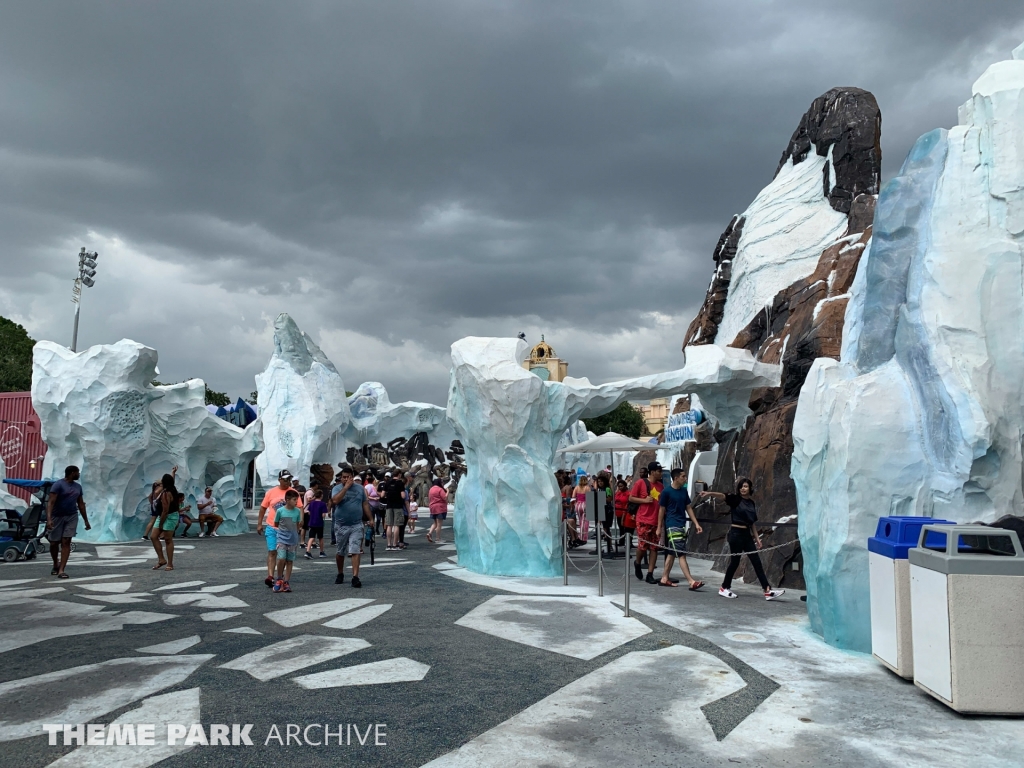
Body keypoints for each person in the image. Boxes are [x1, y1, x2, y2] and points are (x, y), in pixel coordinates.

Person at [700, 478, 785, 601]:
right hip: (736, 533)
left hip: (746, 534)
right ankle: (724, 587)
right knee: (735, 562)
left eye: (745, 486)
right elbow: (722, 496)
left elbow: (752, 523)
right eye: (741, 486)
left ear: (750, 488)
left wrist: (757, 539)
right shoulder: (735, 499)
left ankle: (767, 590)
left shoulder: (751, 503)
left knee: (756, 562)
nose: (743, 488)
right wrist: (709, 493)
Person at [658, 468, 705, 590]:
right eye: (683, 476)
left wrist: (696, 523)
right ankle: (691, 581)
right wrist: (659, 527)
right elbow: (661, 510)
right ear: (676, 478)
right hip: (672, 525)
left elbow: (688, 507)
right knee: (681, 554)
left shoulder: (684, 491)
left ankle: (664, 578)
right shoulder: (666, 492)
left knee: (672, 553)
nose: (685, 478)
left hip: (681, 524)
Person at [257, 470, 303, 588]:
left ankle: (281, 577)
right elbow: (263, 508)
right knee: (272, 551)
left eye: (289, 479)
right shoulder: (271, 492)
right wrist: (259, 524)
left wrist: (300, 523)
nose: (288, 481)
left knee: (285, 555)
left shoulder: (293, 493)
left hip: (288, 530)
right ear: (279, 480)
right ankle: (270, 576)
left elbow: (300, 508)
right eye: (285, 479)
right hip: (273, 526)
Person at [46, 465, 91, 578]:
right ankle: (55, 562)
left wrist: (86, 520)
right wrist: (49, 519)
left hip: (71, 516)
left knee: (66, 541)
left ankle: (61, 570)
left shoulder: (78, 487)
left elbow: (81, 504)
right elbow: (50, 502)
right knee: (54, 543)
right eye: (77, 472)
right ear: (72, 473)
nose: (79, 474)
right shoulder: (58, 485)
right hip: (57, 516)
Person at [332, 467, 371, 588]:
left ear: (352, 477)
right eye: (344, 477)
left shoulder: (360, 489)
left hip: (356, 524)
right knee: (340, 551)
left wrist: (370, 518)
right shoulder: (337, 488)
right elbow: (335, 500)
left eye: (348, 477)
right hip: (341, 524)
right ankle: (340, 573)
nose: (346, 479)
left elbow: (365, 503)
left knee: (355, 550)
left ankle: (355, 576)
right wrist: (346, 487)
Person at [631, 462, 663, 584]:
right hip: (643, 519)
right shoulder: (641, 483)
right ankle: (637, 562)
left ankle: (650, 573)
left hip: (655, 520)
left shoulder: (661, 486)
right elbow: (631, 498)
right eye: (659, 471)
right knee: (643, 546)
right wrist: (644, 500)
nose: (660, 473)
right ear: (653, 471)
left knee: (654, 548)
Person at [273, 490, 303, 592]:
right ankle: (279, 579)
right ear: (287, 500)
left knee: (290, 561)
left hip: (293, 539)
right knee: (281, 558)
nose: (296, 502)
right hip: (281, 538)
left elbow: (298, 524)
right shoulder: (280, 511)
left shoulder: (297, 511)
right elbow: (276, 523)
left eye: (297, 499)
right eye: (294, 500)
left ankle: (286, 581)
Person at [150, 473, 180, 570]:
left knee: (168, 539)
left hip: (170, 516)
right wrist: (173, 472)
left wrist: (161, 524)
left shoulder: (167, 493)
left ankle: (170, 564)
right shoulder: (169, 489)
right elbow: (170, 480)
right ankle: (161, 559)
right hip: (161, 515)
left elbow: (165, 510)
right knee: (153, 536)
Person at [142, 465, 177, 540]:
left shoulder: (155, 490)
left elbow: (149, 497)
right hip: (159, 507)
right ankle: (161, 535)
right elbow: (171, 483)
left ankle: (146, 535)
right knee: (159, 520)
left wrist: (152, 503)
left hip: (155, 505)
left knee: (153, 520)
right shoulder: (160, 490)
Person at [383, 472, 405, 551]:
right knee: (397, 525)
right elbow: (403, 496)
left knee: (389, 525)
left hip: (389, 506)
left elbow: (382, 495)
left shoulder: (387, 483)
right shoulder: (400, 483)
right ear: (399, 475)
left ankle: (388, 544)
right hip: (398, 506)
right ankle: (395, 545)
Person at [304, 489, 328, 559]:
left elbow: (309, 512)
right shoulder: (323, 504)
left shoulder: (311, 503)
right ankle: (321, 551)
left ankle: (308, 551)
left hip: (312, 522)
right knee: (320, 537)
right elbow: (323, 515)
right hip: (319, 523)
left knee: (311, 537)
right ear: (321, 496)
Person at [427, 479, 447, 543]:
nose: (443, 483)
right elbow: (444, 498)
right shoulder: (440, 489)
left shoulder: (431, 489)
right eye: (442, 482)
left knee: (435, 523)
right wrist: (448, 491)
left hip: (432, 507)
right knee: (439, 524)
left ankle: (429, 533)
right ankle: (438, 538)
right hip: (440, 508)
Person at [573, 475, 590, 543]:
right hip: (585, 505)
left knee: (580, 521)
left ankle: (581, 536)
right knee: (585, 522)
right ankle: (584, 537)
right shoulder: (587, 488)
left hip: (578, 505)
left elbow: (573, 497)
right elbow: (589, 498)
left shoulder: (576, 487)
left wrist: (575, 504)